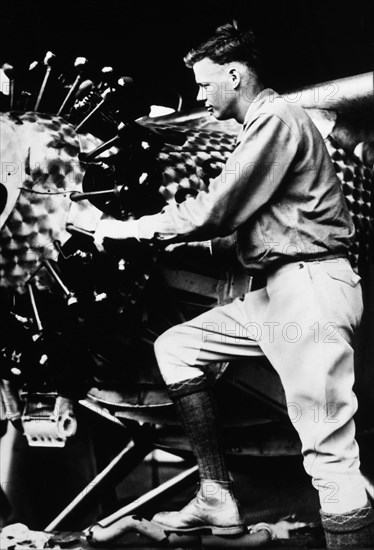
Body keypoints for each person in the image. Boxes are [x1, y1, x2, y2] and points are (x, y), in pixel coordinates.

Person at [93, 23, 374, 548]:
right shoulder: (260, 130)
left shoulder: (276, 118)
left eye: (204, 85)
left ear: (234, 75)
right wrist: (166, 245)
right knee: (176, 346)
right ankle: (216, 493)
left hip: (309, 289)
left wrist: (125, 229)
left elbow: (217, 208)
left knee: (328, 452)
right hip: (273, 292)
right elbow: (242, 235)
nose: (199, 95)